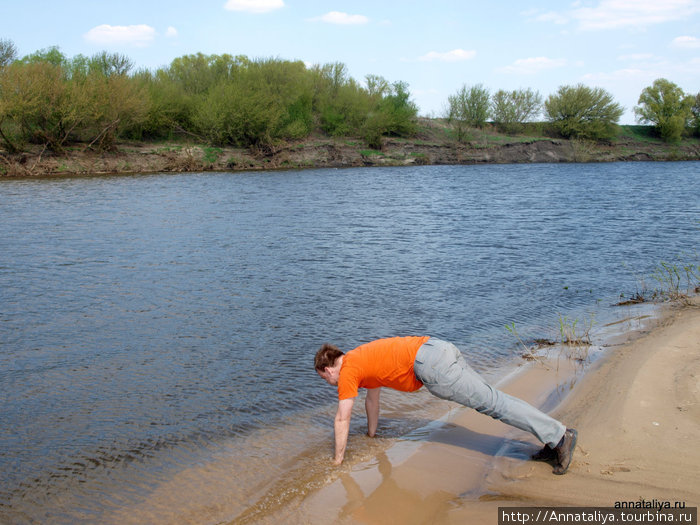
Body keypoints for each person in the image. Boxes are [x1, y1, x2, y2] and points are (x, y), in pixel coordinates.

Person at [314, 336, 577, 474]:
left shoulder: (347, 372)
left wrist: (337, 462)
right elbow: (373, 401)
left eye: (324, 379)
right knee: (493, 399)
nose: (329, 383)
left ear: (327, 370)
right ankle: (553, 437)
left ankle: (560, 436)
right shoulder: (360, 357)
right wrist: (372, 436)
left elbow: (342, 418)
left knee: (493, 403)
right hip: (436, 348)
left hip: (431, 366)